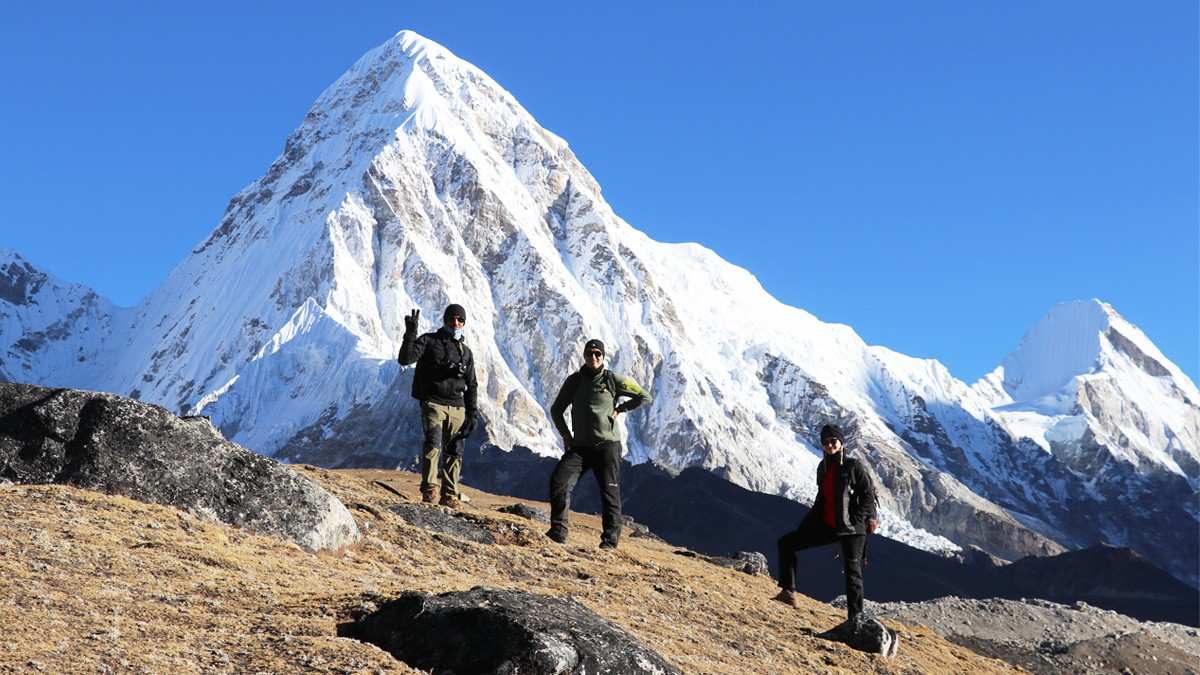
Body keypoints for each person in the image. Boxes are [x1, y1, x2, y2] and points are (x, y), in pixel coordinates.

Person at [547, 339, 652, 549]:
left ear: (603, 357)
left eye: (597, 354)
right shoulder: (574, 381)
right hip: (580, 447)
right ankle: (558, 532)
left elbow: (644, 396)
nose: (593, 358)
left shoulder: (613, 380)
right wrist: (566, 435)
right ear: (584, 356)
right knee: (559, 481)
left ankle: (610, 542)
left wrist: (621, 409)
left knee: (609, 493)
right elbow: (556, 409)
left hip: (607, 446)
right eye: (589, 354)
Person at [773, 424, 878, 622]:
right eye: (826, 442)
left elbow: (868, 495)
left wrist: (856, 520)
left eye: (833, 441)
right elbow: (822, 498)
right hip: (829, 525)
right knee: (786, 543)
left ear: (841, 442)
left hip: (852, 529)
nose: (830, 445)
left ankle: (856, 619)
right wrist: (808, 523)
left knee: (852, 572)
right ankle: (788, 592)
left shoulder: (853, 466)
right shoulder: (823, 467)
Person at [398, 304, 478, 508]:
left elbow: (472, 384)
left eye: (460, 320)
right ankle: (430, 491)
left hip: (458, 407)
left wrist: (472, 414)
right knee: (433, 445)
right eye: (452, 318)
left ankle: (450, 495)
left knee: (455, 450)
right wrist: (410, 334)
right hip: (433, 402)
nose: (456, 323)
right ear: (444, 320)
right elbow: (405, 359)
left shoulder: (466, 352)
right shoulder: (428, 341)